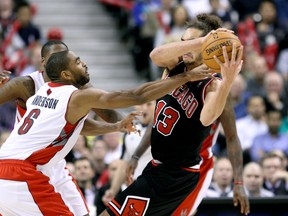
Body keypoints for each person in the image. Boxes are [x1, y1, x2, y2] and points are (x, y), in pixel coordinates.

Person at [0, 44, 215, 215]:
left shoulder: (43, 93)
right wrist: (184, 77)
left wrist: (115, 126)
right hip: (22, 173)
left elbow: (75, 129)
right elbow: (136, 96)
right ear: (66, 74)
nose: (84, 64)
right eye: (77, 62)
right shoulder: (78, 97)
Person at [100, 13, 249, 216]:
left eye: (192, 43)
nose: (186, 47)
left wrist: (228, 82)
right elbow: (155, 56)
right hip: (158, 166)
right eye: (183, 42)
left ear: (205, 50)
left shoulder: (212, 85)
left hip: (181, 171)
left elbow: (209, 120)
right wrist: (200, 42)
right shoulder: (175, 67)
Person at [0, 40, 142, 216]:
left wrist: (133, 129)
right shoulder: (25, 83)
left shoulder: (78, 86)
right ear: (44, 62)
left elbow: (104, 115)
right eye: (54, 57)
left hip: (55, 163)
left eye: (64, 56)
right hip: (26, 162)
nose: (59, 60)